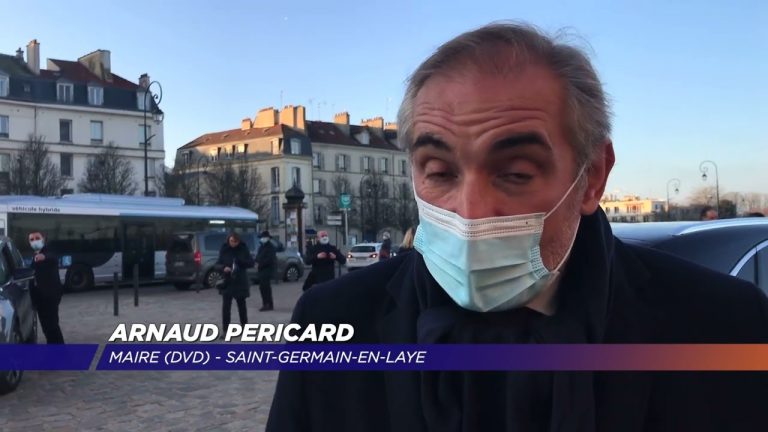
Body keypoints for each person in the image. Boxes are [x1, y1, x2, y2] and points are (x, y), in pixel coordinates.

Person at [267, 23, 768, 431]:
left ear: (592, 177)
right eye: (439, 172)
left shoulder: (725, 325)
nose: (471, 209)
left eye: (515, 173)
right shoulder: (334, 324)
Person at [27, 232, 64, 344]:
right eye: (32, 239)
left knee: (52, 327)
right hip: (41, 298)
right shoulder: (34, 255)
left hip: (50, 297)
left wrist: (44, 257)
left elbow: (53, 258)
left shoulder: (47, 252)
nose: (34, 241)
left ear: (43, 239)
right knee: (47, 328)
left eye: (37, 238)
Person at [216, 232, 254, 333]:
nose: (233, 243)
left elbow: (251, 263)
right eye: (231, 241)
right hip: (227, 282)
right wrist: (224, 268)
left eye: (235, 242)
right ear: (228, 240)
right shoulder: (224, 249)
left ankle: (245, 328)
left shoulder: (243, 248)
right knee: (226, 308)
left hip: (240, 281)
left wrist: (240, 262)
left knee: (242, 306)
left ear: (238, 241)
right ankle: (225, 330)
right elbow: (217, 264)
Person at [255, 230, 277, 311]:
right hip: (261, 270)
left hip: (267, 270)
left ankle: (267, 304)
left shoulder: (270, 247)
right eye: (262, 237)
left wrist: (260, 264)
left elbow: (270, 259)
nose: (262, 239)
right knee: (263, 288)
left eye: (264, 237)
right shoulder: (261, 247)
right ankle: (267, 303)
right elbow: (258, 256)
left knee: (265, 287)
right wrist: (256, 262)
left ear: (267, 238)